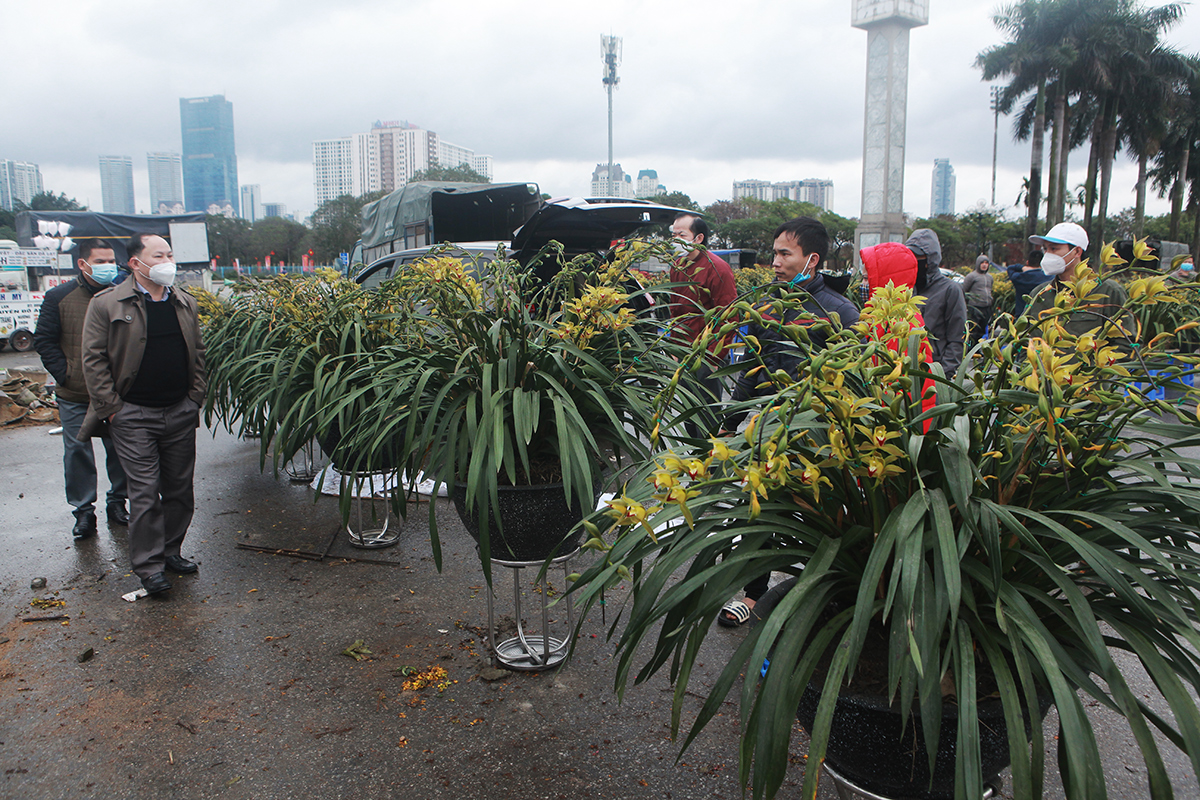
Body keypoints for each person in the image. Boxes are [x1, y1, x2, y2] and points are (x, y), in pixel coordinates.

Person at [717, 217, 859, 628]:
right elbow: (753, 369)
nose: (775, 262)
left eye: (785, 254)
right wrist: (729, 421)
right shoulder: (768, 305)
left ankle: (821, 594)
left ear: (811, 259)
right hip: (767, 433)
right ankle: (752, 593)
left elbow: (854, 381)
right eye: (774, 253)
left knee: (817, 516)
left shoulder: (839, 313)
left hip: (816, 439)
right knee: (758, 510)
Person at [80, 233, 207, 596]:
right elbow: (94, 360)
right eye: (158, 255)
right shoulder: (108, 304)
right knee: (145, 492)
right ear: (136, 263)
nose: (168, 260)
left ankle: (171, 551)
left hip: (179, 411)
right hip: (133, 415)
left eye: (170, 253)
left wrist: (194, 398)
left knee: (180, 489)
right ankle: (149, 567)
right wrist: (113, 410)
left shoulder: (183, 302)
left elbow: (197, 354)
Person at [33, 239, 130, 540]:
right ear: (83, 263)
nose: (108, 267)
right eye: (100, 261)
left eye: (111, 260)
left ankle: (118, 502)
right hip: (76, 394)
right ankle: (84, 512)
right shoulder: (59, 297)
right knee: (77, 452)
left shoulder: (123, 294)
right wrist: (66, 374)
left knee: (122, 449)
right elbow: (45, 341)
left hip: (116, 392)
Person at [667, 213, 736, 437]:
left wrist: (715, 357)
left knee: (708, 410)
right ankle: (695, 458)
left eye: (681, 234)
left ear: (698, 238)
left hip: (708, 352)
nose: (675, 239)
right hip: (684, 350)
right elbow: (675, 309)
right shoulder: (677, 265)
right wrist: (673, 347)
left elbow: (728, 315)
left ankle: (711, 461)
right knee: (689, 406)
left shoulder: (718, 268)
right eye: (673, 234)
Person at [1025, 222, 1132, 340]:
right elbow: (1025, 337)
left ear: (1077, 252)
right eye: (1045, 249)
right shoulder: (1039, 294)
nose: (1048, 254)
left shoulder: (1109, 291)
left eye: (1054, 248)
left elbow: (1126, 341)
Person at [904, 229, 967, 377]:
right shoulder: (906, 287)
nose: (913, 261)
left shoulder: (950, 290)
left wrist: (941, 375)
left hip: (934, 371)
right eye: (909, 256)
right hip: (905, 370)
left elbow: (957, 338)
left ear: (930, 259)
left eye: (918, 256)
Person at [1006, 250, 1052, 317]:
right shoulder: (1049, 278)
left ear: (1027, 262)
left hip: (1022, 315)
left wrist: (1022, 267)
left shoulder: (1018, 278)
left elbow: (1010, 268)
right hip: (1042, 316)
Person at [962, 254, 995, 345]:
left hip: (986, 307)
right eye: (982, 263)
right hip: (975, 307)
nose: (984, 265)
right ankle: (970, 347)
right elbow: (964, 291)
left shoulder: (990, 277)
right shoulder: (971, 276)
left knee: (982, 329)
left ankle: (977, 347)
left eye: (986, 263)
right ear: (978, 264)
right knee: (974, 329)